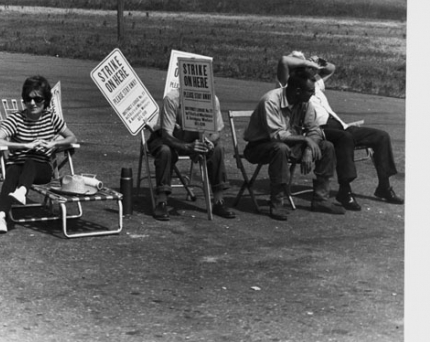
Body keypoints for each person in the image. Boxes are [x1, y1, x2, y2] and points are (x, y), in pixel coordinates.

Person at [277, 51, 403, 209]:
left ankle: (384, 187)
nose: (303, 67)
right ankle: (345, 190)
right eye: (299, 64)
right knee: (344, 138)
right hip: (318, 131)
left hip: (341, 126)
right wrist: (305, 64)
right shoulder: (288, 84)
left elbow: (331, 68)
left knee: (381, 136)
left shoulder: (313, 82)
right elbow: (283, 61)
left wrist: (317, 60)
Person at [243, 68, 342, 221]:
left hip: (289, 143)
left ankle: (320, 199)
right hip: (259, 146)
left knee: (327, 147)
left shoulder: (305, 103)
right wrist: (305, 140)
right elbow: (277, 135)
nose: (313, 94)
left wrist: (309, 148)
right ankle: (277, 203)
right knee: (280, 148)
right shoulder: (270, 101)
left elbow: (314, 129)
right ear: (297, 91)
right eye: (310, 91)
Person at [0, 75, 77, 234]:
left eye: (37, 99)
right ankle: (1, 217)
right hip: (17, 165)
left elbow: (72, 137)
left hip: (42, 169)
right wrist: (25, 145)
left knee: (30, 162)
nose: (32, 103)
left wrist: (54, 143)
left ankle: (22, 191)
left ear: (45, 100)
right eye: (27, 99)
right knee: (12, 172)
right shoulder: (16, 119)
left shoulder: (52, 118)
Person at [146, 88, 235, 221]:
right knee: (165, 151)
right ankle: (161, 201)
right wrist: (189, 147)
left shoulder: (212, 99)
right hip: (169, 139)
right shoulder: (172, 99)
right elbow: (166, 136)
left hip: (195, 140)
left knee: (217, 148)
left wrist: (208, 142)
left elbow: (216, 132)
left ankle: (218, 201)